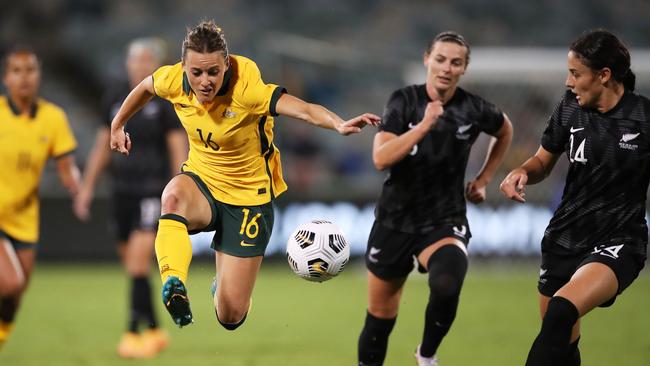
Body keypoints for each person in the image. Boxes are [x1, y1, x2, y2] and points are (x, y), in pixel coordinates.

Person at [109, 20, 380, 330]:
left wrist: (338, 123)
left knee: (230, 316)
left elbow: (303, 109)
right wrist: (118, 124)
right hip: (203, 181)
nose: (205, 81)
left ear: (226, 65)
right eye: (196, 72)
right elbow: (145, 86)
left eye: (213, 72)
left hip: (249, 198)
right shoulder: (174, 79)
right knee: (171, 198)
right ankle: (174, 284)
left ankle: (221, 289)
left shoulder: (247, 89)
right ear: (184, 66)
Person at [357, 31, 513, 366]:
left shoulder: (473, 108)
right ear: (427, 59)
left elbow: (505, 130)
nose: (446, 67)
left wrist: (484, 179)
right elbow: (381, 159)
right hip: (395, 219)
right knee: (380, 318)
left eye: (456, 62)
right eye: (440, 59)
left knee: (447, 280)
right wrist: (423, 126)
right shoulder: (403, 101)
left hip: (444, 219)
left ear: (464, 68)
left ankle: (426, 355)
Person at [500, 30, 648, 366]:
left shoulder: (643, 118)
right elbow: (542, 162)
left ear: (604, 75)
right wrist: (521, 171)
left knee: (561, 310)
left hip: (619, 238)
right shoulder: (570, 109)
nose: (568, 81)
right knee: (563, 345)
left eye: (576, 73)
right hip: (565, 237)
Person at [73, 38, 187, 358]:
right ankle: (154, 329)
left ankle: (131, 333)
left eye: (147, 60)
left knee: (138, 261)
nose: (140, 65)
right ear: (127, 64)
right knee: (134, 267)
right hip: (121, 190)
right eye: (135, 60)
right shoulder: (114, 97)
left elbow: (177, 146)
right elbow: (100, 146)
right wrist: (87, 187)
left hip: (152, 189)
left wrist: (180, 184)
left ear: (156, 65)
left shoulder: (165, 101)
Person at [0, 47, 81, 349]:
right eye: (17, 71)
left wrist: (75, 184)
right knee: (10, 282)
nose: (24, 77)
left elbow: (66, 167)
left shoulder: (52, 117)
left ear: (39, 75)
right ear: (6, 78)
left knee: (14, 299)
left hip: (24, 220)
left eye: (30, 70)